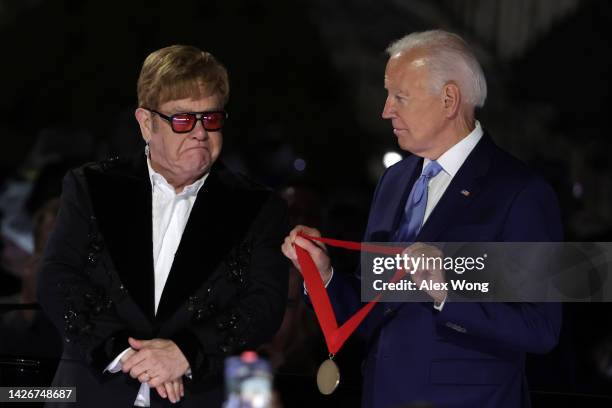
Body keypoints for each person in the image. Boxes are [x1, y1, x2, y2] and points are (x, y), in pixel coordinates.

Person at [282, 30, 562, 408]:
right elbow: (376, 312)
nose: (385, 110)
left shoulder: (520, 192)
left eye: (400, 96)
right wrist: (324, 275)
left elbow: (540, 329)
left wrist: (447, 292)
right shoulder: (394, 182)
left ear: (449, 99)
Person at [38, 45, 288, 407]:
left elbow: (264, 305)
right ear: (145, 123)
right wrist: (124, 353)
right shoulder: (92, 186)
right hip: (90, 392)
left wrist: (186, 352)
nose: (200, 132)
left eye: (211, 119)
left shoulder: (258, 206)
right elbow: (57, 279)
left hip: (201, 395)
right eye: (184, 119)